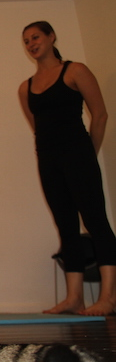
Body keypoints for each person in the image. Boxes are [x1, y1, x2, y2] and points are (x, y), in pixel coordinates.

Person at [18, 20, 116, 316]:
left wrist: (88, 154)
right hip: (49, 161)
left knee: (95, 221)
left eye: (36, 37)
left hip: (78, 154)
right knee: (66, 226)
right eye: (26, 41)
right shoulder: (25, 88)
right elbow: (38, 130)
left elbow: (100, 115)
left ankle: (109, 297)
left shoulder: (75, 71)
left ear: (51, 37)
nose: (31, 44)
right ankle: (74, 298)